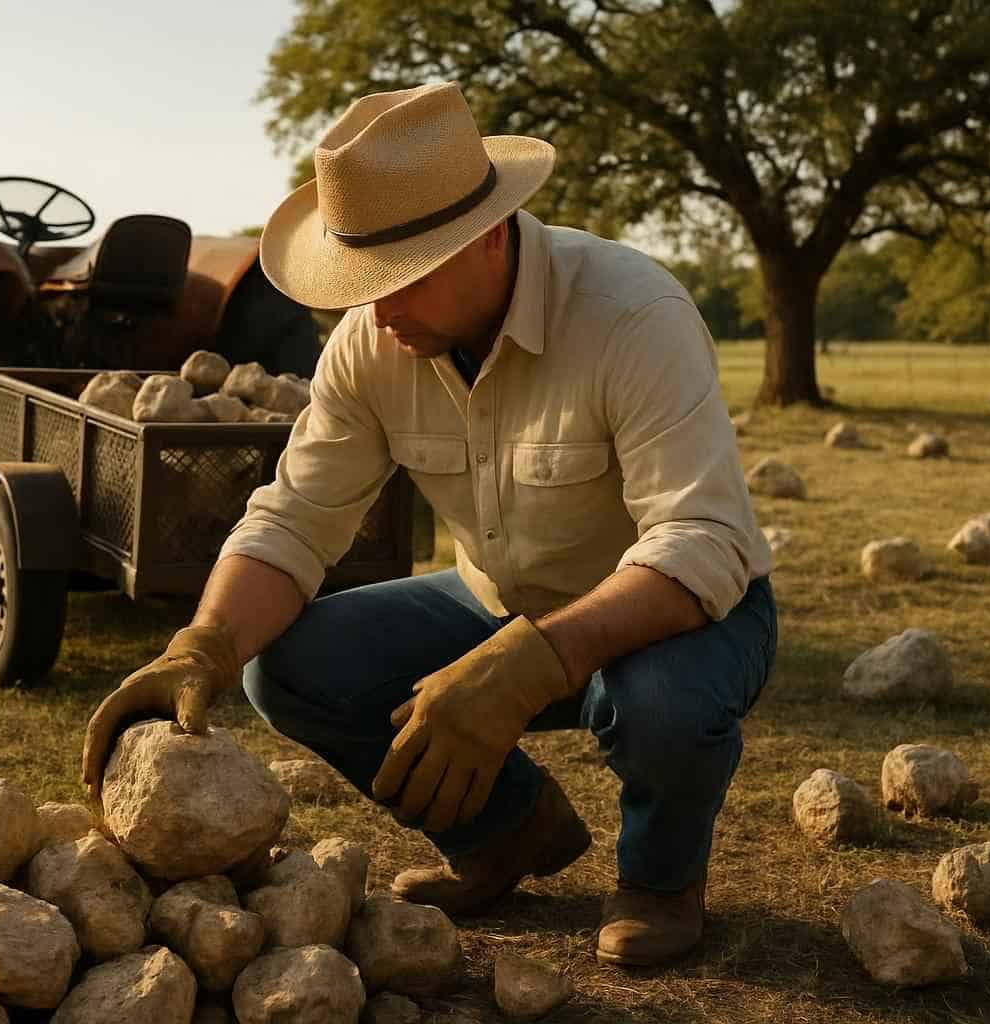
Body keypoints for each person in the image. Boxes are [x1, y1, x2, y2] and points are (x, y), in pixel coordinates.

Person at [82, 82, 776, 967]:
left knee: (659, 703)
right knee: (285, 665)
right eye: (357, 284)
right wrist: (203, 646)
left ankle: (659, 881)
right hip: (495, 603)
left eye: (399, 280)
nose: (375, 311)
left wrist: (530, 663)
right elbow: (293, 520)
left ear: (489, 235)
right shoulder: (375, 343)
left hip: (684, 617)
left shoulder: (634, 315)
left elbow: (701, 544)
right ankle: (507, 831)